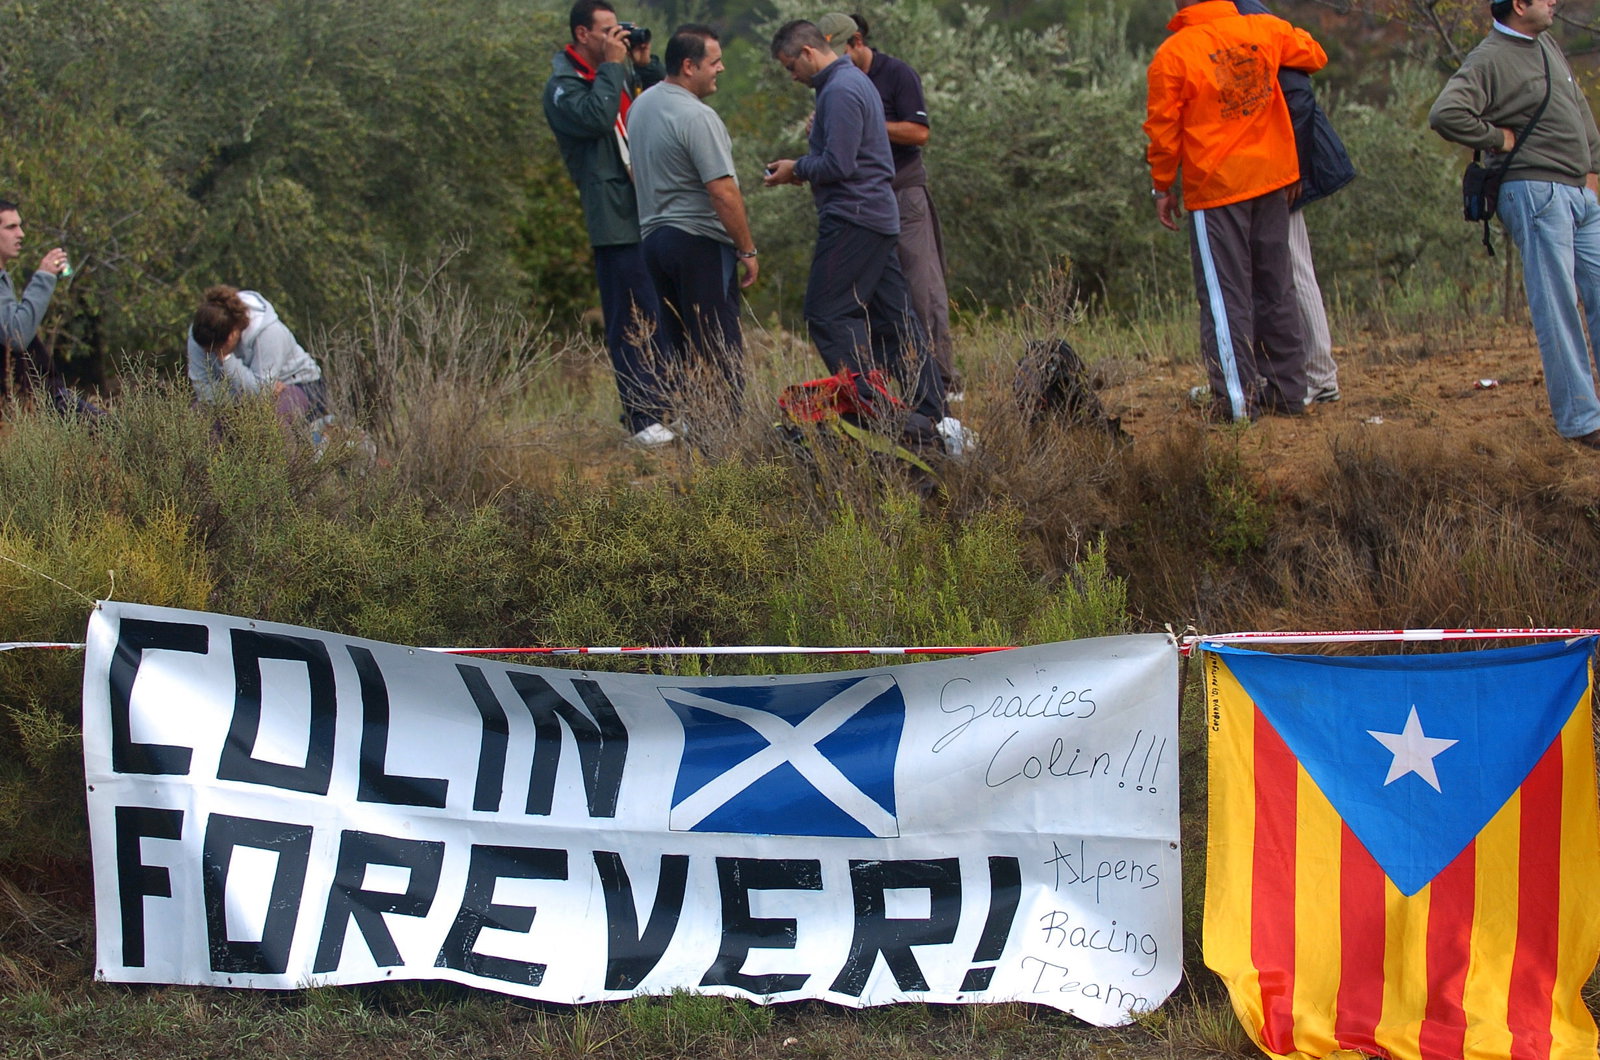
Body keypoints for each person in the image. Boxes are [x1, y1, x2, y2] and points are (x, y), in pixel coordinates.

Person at [764, 19, 952, 452]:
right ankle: (934, 418)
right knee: (896, 320)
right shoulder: (851, 83)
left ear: (808, 52)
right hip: (877, 217)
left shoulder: (840, 89)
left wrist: (796, 168)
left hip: (853, 218)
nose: (792, 76)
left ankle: (874, 411)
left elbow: (840, 164)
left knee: (827, 312)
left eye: (791, 66)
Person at [1143, 0, 1327, 423]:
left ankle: (1237, 405)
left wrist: (1162, 185)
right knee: (1275, 288)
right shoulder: (1265, 29)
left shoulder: (1174, 54)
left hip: (1218, 188)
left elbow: (1163, 130)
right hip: (1271, 179)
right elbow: (1315, 54)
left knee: (1225, 298)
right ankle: (1287, 393)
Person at [1429, 0, 1600, 449]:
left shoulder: (1547, 44)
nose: (1554, 1)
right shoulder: (1489, 57)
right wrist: (1496, 138)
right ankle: (1582, 423)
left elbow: (1579, 106)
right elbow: (1445, 113)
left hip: (1580, 193)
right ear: (1520, 5)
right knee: (1558, 306)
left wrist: (1593, 170)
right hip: (1536, 192)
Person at [544, 0, 676, 448]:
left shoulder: (615, 73)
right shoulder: (564, 86)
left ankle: (666, 406)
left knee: (660, 311)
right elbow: (598, 117)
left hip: (649, 207)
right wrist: (616, 67)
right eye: (606, 31)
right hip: (614, 217)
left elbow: (661, 104)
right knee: (631, 315)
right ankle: (641, 416)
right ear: (582, 34)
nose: (615, 38)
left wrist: (644, 65)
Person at [816, 12, 958, 398]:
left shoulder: (896, 74)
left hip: (902, 192)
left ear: (857, 42)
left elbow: (919, 132)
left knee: (922, 287)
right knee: (879, 294)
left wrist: (863, 121)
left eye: (839, 50)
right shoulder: (834, 84)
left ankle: (944, 380)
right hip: (862, 202)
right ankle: (896, 381)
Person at [628, 24, 758, 411]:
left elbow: (634, 170)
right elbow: (723, 191)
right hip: (699, 242)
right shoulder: (698, 117)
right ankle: (726, 435)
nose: (721, 69)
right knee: (718, 347)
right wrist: (747, 249)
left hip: (654, 242)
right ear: (689, 65)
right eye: (714, 62)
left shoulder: (640, 108)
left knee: (680, 348)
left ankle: (695, 425)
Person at [1236, 0, 1355, 407]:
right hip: (1269, 166)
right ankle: (1303, 374)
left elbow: (1297, 96)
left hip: (1280, 169)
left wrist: (1295, 170)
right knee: (1283, 265)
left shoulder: (1248, 17)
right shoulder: (1241, 14)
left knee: (1292, 265)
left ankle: (1319, 377)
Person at [186, 286, 328, 426]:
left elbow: (259, 395)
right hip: (242, 393)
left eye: (215, 350)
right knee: (197, 420)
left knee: (272, 420)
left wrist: (226, 358)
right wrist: (252, 395)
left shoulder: (269, 332)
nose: (210, 353)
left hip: (299, 384)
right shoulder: (199, 333)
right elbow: (203, 391)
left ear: (232, 334)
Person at [0, 197, 80, 412]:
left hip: (37, 400)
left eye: (20, 226)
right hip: (31, 405)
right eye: (11, 227)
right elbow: (16, 334)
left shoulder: (3, 278)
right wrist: (44, 277)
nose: (21, 234)